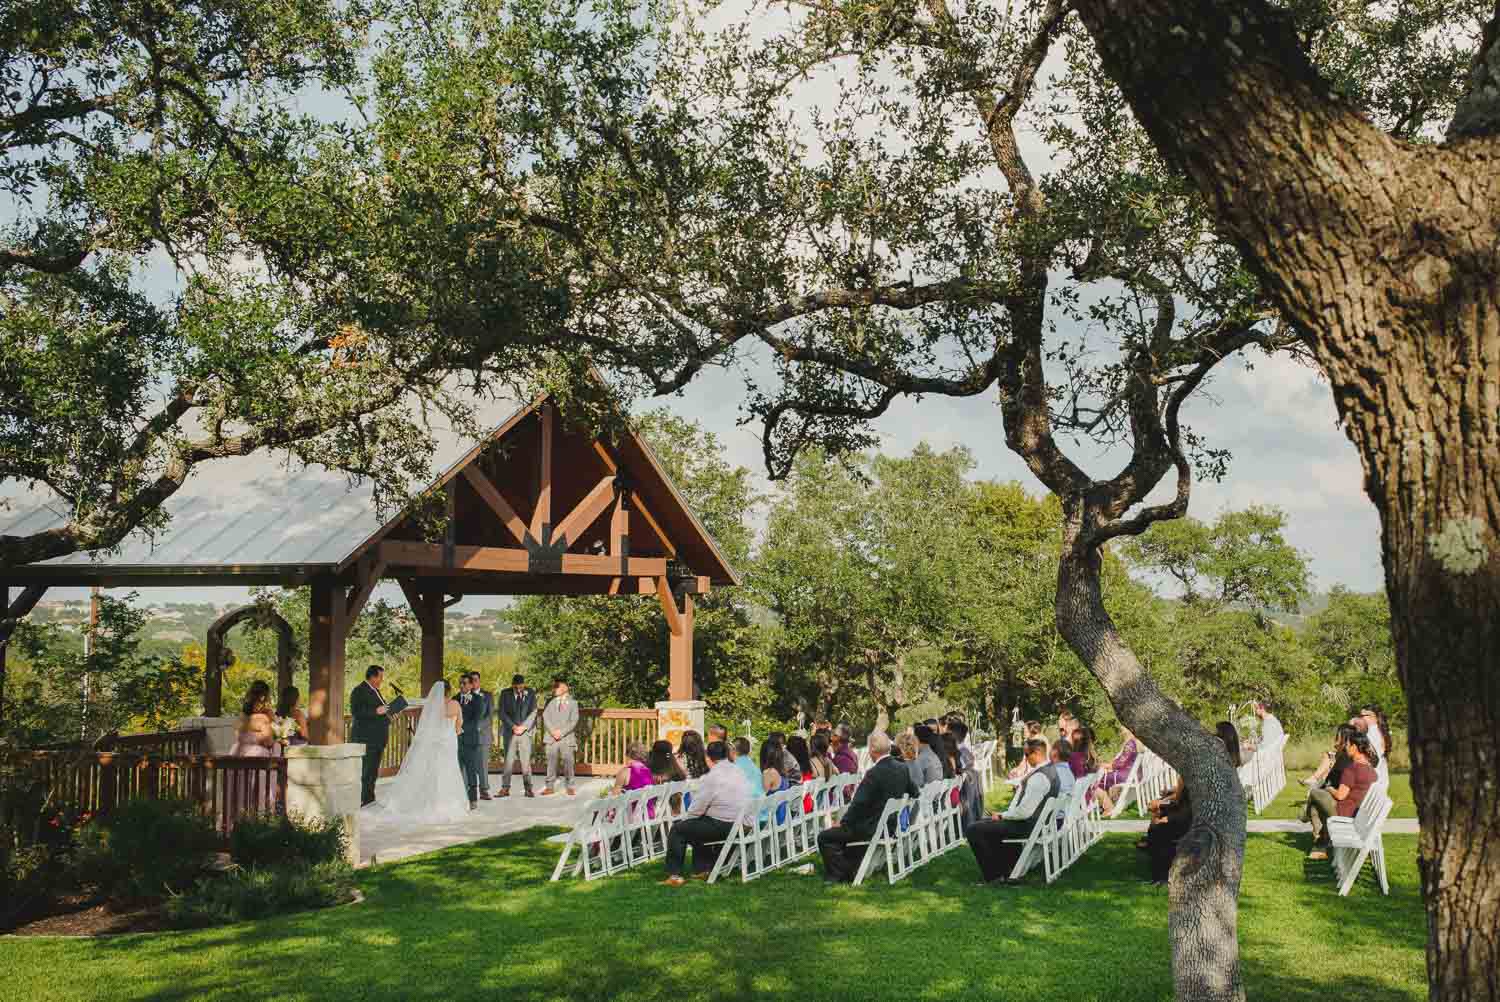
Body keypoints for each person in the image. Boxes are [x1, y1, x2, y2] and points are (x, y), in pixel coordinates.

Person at [817, 732, 920, 882]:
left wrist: (843, 822)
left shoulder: (874, 773)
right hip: (890, 825)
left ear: (872, 749)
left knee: (825, 837)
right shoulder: (902, 768)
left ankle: (838, 874)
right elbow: (915, 792)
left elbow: (858, 804)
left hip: (870, 828)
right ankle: (850, 866)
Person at [366, 678, 471, 825]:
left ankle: (431, 803)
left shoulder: (433, 707)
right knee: (449, 771)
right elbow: (459, 725)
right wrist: (455, 730)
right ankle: (447, 804)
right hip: (448, 743)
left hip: (435, 744)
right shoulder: (455, 704)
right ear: (449, 691)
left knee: (433, 772)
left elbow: (428, 727)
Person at [966, 739, 1056, 884]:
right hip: (1036, 823)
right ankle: (1006, 867)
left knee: (973, 829)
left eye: (1027, 755)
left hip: (1027, 825)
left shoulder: (1040, 777)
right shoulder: (1050, 770)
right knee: (985, 823)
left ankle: (994, 876)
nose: (1025, 759)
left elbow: (1024, 812)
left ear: (1038, 753)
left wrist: (1002, 815)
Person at [661, 741, 749, 886]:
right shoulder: (738, 771)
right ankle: (702, 869)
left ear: (708, 758)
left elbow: (696, 808)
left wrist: (686, 820)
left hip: (723, 825)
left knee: (678, 830)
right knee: (698, 825)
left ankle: (674, 875)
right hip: (738, 823)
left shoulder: (712, 777)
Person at [1307, 731, 1380, 861]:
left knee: (1314, 793)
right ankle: (1320, 839)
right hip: (1360, 815)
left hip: (1345, 813)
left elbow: (1340, 796)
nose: (1345, 747)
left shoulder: (1352, 769)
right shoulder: (1372, 771)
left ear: (1354, 747)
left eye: (1347, 744)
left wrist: (1329, 788)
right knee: (1315, 804)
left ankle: (1320, 840)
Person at [349, 666, 392, 806]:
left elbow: (381, 711)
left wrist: (389, 715)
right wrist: (376, 711)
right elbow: (356, 712)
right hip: (366, 738)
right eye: (380, 677)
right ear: (372, 677)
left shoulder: (376, 691)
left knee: (373, 771)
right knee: (366, 771)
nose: (382, 680)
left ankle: (370, 798)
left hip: (378, 739)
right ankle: (362, 799)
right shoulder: (359, 691)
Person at [498, 673, 538, 798]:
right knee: (508, 761)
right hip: (510, 732)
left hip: (525, 732)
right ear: (512, 685)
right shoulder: (505, 693)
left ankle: (528, 788)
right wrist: (513, 727)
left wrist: (524, 727)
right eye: (516, 687)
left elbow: (534, 711)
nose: (519, 689)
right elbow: (502, 712)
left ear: (524, 685)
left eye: (521, 687)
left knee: (525, 762)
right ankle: (505, 788)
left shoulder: (530, 693)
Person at [541, 676, 578, 796]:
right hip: (551, 738)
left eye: (557, 686)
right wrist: (553, 732)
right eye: (554, 686)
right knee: (551, 762)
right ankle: (549, 786)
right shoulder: (550, 702)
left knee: (568, 761)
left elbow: (574, 721)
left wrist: (561, 733)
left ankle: (570, 786)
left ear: (565, 688)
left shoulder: (573, 703)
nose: (554, 689)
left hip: (566, 738)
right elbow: (545, 717)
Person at [1092, 726, 1139, 814]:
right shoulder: (1133, 743)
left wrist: (1107, 765)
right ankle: (1105, 805)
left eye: (1123, 729)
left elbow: (1120, 763)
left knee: (1096, 782)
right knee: (1104, 777)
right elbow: (1121, 761)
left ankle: (1108, 807)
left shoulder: (1130, 744)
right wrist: (1109, 765)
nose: (1121, 731)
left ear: (1128, 730)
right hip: (1130, 773)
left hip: (1126, 775)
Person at [457, 674, 487, 809]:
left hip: (470, 740)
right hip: (456, 741)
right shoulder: (455, 698)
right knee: (456, 770)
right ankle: (458, 797)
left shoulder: (478, 699)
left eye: (464, 683)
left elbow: (476, 719)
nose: (462, 686)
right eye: (460, 683)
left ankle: (473, 799)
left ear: (470, 685)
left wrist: (460, 728)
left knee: (471, 771)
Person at [232, 680, 276, 757]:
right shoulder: (262, 719)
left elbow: (237, 736)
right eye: (269, 697)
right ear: (262, 698)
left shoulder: (242, 717)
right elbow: (269, 742)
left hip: (238, 755)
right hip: (257, 758)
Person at [469, 669, 495, 800]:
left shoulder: (488, 696)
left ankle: (484, 790)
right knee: (469, 764)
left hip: (483, 735)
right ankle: (469, 790)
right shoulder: (464, 695)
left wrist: (477, 727)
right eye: (471, 680)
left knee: (483, 765)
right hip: (468, 736)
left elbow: (490, 717)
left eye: (475, 680)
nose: (473, 683)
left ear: (479, 681)